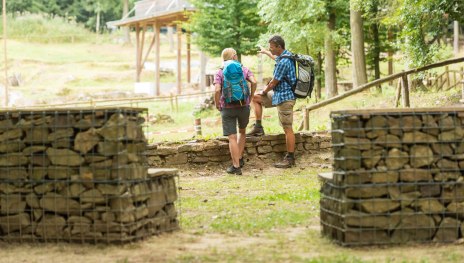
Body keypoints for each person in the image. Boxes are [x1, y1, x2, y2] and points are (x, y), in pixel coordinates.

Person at [247, 35, 297, 168]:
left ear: (279, 47)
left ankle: (290, 158)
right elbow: (276, 57)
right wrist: (266, 52)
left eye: (272, 47)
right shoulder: (286, 56)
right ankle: (258, 127)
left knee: (287, 128)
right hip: (278, 95)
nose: (271, 49)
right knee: (254, 97)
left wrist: (264, 91)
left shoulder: (283, 62)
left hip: (285, 98)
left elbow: (274, 82)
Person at [214, 48, 257, 175]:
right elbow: (254, 81)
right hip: (243, 106)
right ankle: (239, 158)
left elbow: (217, 90)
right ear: (234, 56)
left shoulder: (220, 72)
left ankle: (236, 166)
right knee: (242, 132)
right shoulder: (243, 69)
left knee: (232, 137)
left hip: (227, 108)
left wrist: (217, 103)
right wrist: (251, 97)